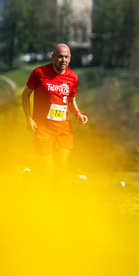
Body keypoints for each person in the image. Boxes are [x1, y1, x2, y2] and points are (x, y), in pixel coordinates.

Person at [22, 43, 88, 181]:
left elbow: (70, 101)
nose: (63, 60)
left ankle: (57, 199)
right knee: (47, 172)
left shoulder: (73, 77)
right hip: (43, 128)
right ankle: (35, 189)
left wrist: (78, 114)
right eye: (59, 57)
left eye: (66, 57)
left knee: (61, 169)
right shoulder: (39, 73)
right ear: (52, 57)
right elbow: (25, 95)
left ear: (70, 58)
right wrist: (29, 118)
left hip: (63, 129)